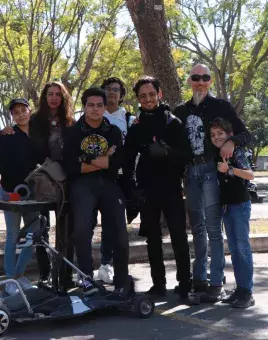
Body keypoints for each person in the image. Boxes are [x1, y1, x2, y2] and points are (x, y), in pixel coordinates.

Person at [174, 64, 251, 302]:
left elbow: (245, 134)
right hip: (190, 172)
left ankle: (216, 283)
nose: (200, 81)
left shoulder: (221, 106)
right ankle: (200, 281)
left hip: (211, 169)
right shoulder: (181, 111)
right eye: (196, 77)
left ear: (210, 81)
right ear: (189, 81)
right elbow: (174, 141)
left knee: (214, 230)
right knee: (197, 229)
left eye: (205, 77)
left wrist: (232, 143)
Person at [123, 76, 193, 303]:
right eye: (142, 96)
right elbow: (127, 158)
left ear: (159, 94)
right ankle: (158, 284)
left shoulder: (173, 123)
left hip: (171, 187)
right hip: (146, 189)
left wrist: (167, 152)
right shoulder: (136, 126)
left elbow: (187, 155)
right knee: (152, 238)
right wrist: (131, 186)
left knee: (178, 237)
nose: (148, 99)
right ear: (138, 99)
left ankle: (185, 285)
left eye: (151, 94)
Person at [2, 81, 75, 285]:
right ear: (44, 97)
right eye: (50, 94)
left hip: (65, 180)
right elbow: (19, 133)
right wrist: (5, 131)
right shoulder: (35, 121)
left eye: (57, 94)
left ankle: (66, 275)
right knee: (41, 230)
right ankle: (45, 274)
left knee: (66, 231)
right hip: (40, 180)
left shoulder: (70, 122)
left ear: (63, 98)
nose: (53, 98)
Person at [62, 87, 131, 297]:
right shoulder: (73, 132)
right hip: (82, 185)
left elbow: (116, 163)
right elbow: (71, 166)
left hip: (110, 184)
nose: (95, 109)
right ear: (84, 107)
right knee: (81, 230)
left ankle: (121, 282)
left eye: (99, 105)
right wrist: (102, 160)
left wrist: (85, 159)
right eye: (90, 105)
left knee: (119, 232)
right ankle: (86, 278)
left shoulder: (113, 132)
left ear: (104, 107)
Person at [0, 98, 46, 295]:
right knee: (12, 236)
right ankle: (10, 280)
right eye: (16, 112)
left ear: (29, 110)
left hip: (33, 192)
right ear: (12, 115)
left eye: (23, 110)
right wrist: (12, 191)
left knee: (32, 236)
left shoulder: (38, 135)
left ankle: (19, 275)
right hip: (11, 192)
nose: (20, 114)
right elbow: (2, 166)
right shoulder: (8, 136)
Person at [209, 117, 255, 308]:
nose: (216, 137)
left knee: (242, 248)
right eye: (213, 135)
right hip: (227, 206)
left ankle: (247, 292)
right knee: (235, 249)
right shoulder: (217, 153)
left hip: (240, 204)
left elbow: (250, 174)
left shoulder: (236, 151)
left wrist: (230, 170)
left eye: (220, 133)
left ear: (229, 136)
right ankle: (240, 288)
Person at [96, 77, 134, 284]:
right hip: (95, 176)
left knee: (114, 224)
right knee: (91, 223)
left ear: (121, 95)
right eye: (108, 89)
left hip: (119, 179)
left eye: (116, 90)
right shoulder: (93, 116)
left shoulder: (129, 119)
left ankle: (108, 265)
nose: (111, 93)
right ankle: (89, 269)